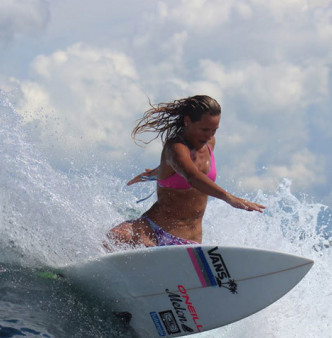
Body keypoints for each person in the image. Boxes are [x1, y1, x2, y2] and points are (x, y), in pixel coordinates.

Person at [107, 95, 265, 248]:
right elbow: (191, 176)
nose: (209, 135)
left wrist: (155, 173)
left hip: (187, 243)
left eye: (214, 130)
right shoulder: (175, 147)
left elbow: (176, 169)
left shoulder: (210, 143)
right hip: (152, 230)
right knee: (115, 236)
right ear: (187, 121)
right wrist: (229, 197)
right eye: (204, 129)